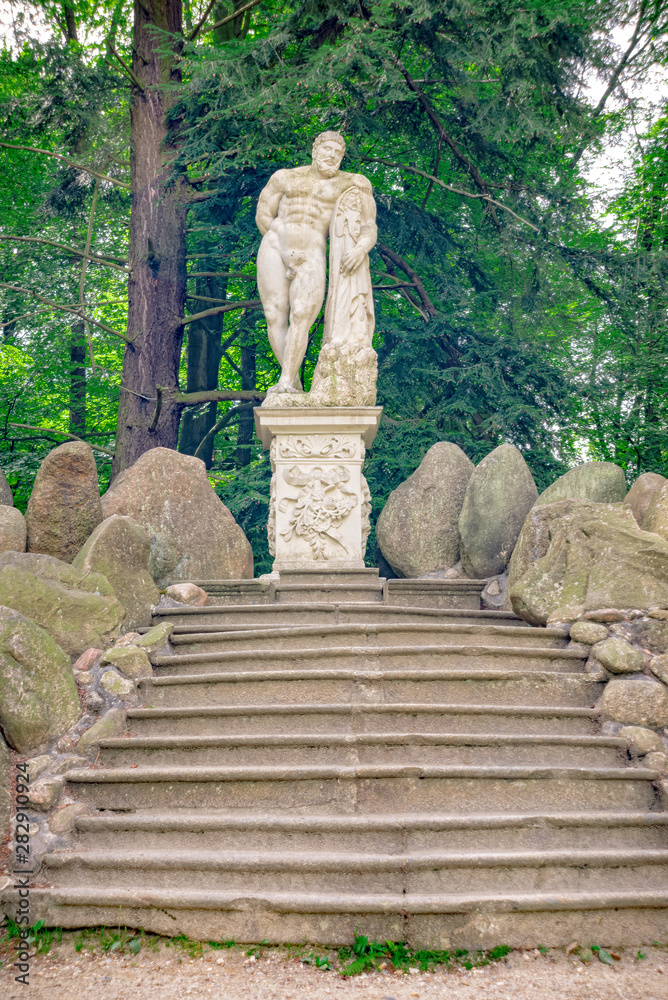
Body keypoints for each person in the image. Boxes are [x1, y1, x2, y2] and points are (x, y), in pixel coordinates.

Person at [256, 131, 377, 396]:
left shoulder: (352, 184)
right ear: (315, 150)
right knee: (274, 314)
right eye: (328, 149)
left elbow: (369, 227)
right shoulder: (285, 177)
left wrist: (360, 248)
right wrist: (283, 246)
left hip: (311, 251)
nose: (332, 155)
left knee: (301, 314)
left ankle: (286, 379)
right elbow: (264, 215)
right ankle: (292, 379)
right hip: (276, 247)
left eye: (338, 152)